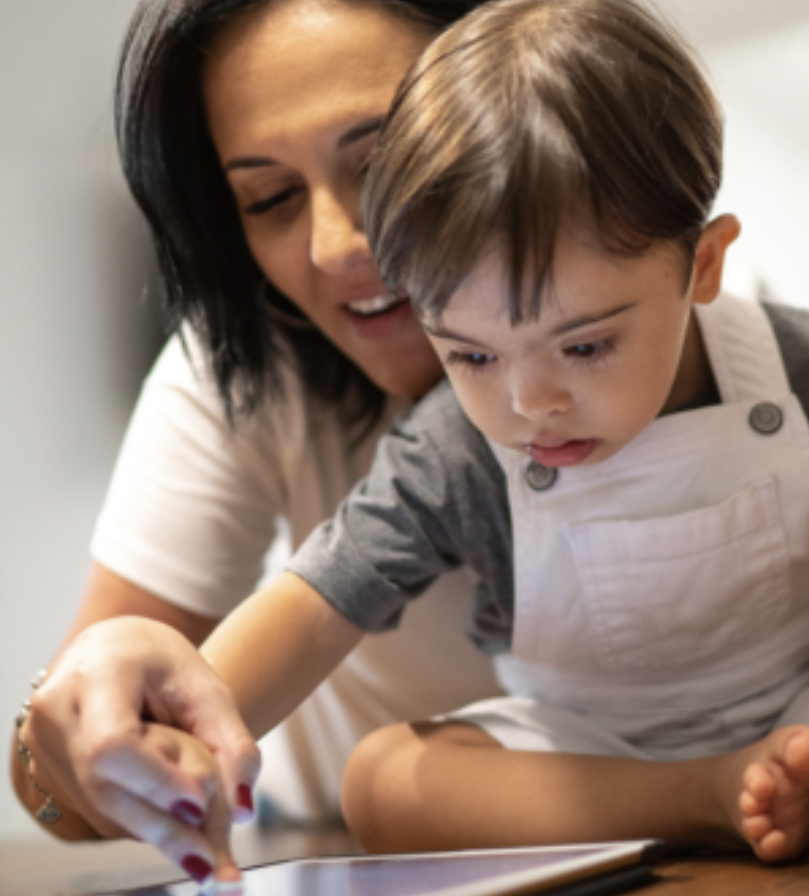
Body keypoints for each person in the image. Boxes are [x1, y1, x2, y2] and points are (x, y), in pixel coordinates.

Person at [26, 0, 809, 885]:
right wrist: (175, 709)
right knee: (387, 779)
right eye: (471, 354)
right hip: (592, 753)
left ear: (701, 267)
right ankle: (717, 795)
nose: (531, 402)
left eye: (587, 345)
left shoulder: (795, 357)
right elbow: (320, 596)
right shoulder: (444, 442)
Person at [8, 0, 504, 883]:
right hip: (356, 852)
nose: (335, 246)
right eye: (269, 198)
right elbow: (68, 777)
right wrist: (73, 747)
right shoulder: (235, 373)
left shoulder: (678, 320)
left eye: (387, 160)